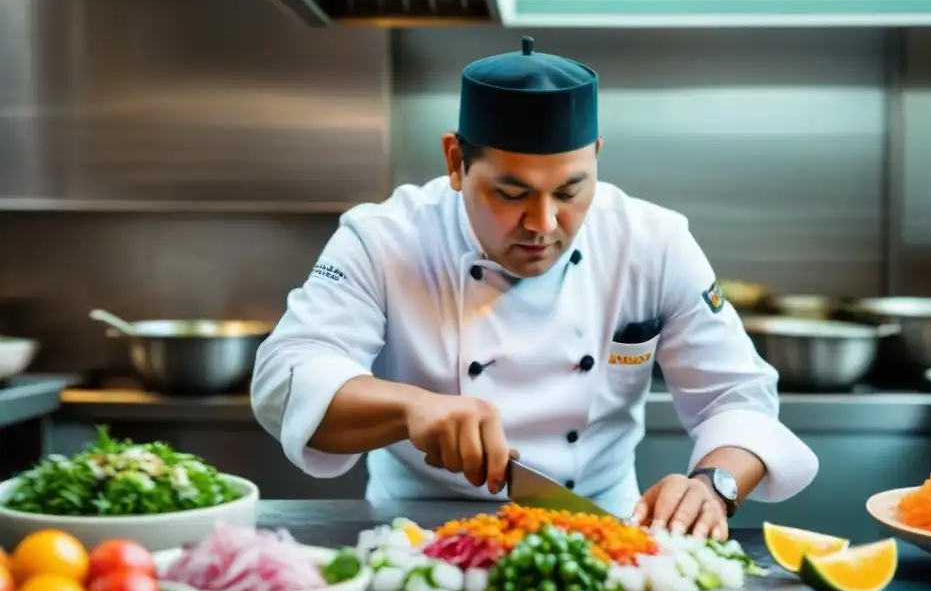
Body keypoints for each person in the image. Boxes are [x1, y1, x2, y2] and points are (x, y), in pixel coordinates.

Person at [251, 36, 818, 540]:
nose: (542, 224)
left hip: (601, 537)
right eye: (512, 193)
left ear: (596, 158)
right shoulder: (384, 239)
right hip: (415, 537)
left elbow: (738, 397)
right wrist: (411, 408)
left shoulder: (654, 242)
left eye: (570, 191)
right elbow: (289, 372)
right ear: (456, 162)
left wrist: (713, 485)